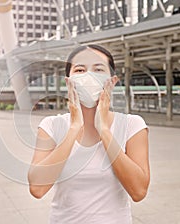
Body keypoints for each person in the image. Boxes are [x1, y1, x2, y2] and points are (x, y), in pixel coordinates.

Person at [28, 44, 150, 224]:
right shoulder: (51, 125)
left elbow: (139, 191)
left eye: (98, 69)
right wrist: (74, 129)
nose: (89, 75)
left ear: (113, 81)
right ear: (68, 81)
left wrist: (105, 131)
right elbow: (37, 188)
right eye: (80, 69)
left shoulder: (132, 125)